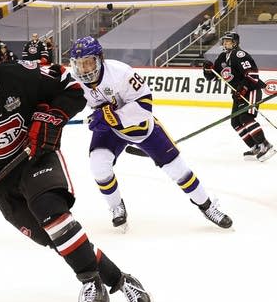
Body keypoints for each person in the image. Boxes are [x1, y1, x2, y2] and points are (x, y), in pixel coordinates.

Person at [0, 29, 156, 302]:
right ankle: (121, 280)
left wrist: (52, 115)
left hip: (37, 157)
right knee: (57, 238)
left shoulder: (19, 76)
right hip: (1, 183)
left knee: (53, 214)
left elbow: (72, 86)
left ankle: (91, 283)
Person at [68, 36, 233, 231]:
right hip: (111, 131)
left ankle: (208, 206)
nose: (84, 69)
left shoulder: (121, 73)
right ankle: (116, 207)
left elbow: (145, 106)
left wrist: (111, 116)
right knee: (98, 166)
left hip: (142, 129)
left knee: (179, 170)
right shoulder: (75, 79)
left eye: (88, 62)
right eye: (79, 64)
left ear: (100, 58)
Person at [202, 32, 274, 162]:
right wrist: (208, 69)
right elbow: (213, 77)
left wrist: (243, 88)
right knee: (235, 122)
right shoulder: (222, 57)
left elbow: (252, 74)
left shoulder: (240, 55)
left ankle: (266, 145)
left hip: (251, 90)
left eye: (228, 41)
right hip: (238, 94)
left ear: (235, 42)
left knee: (246, 117)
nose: (225, 43)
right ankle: (255, 146)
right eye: (224, 41)